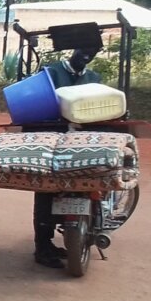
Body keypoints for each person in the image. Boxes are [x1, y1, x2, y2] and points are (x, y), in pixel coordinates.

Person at [32, 47, 103, 268]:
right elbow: (38, 103)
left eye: (92, 52)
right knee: (46, 192)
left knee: (89, 182)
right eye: (83, 50)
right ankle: (43, 246)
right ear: (74, 48)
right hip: (54, 141)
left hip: (82, 143)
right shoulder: (51, 73)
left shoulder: (94, 79)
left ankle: (87, 227)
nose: (87, 55)